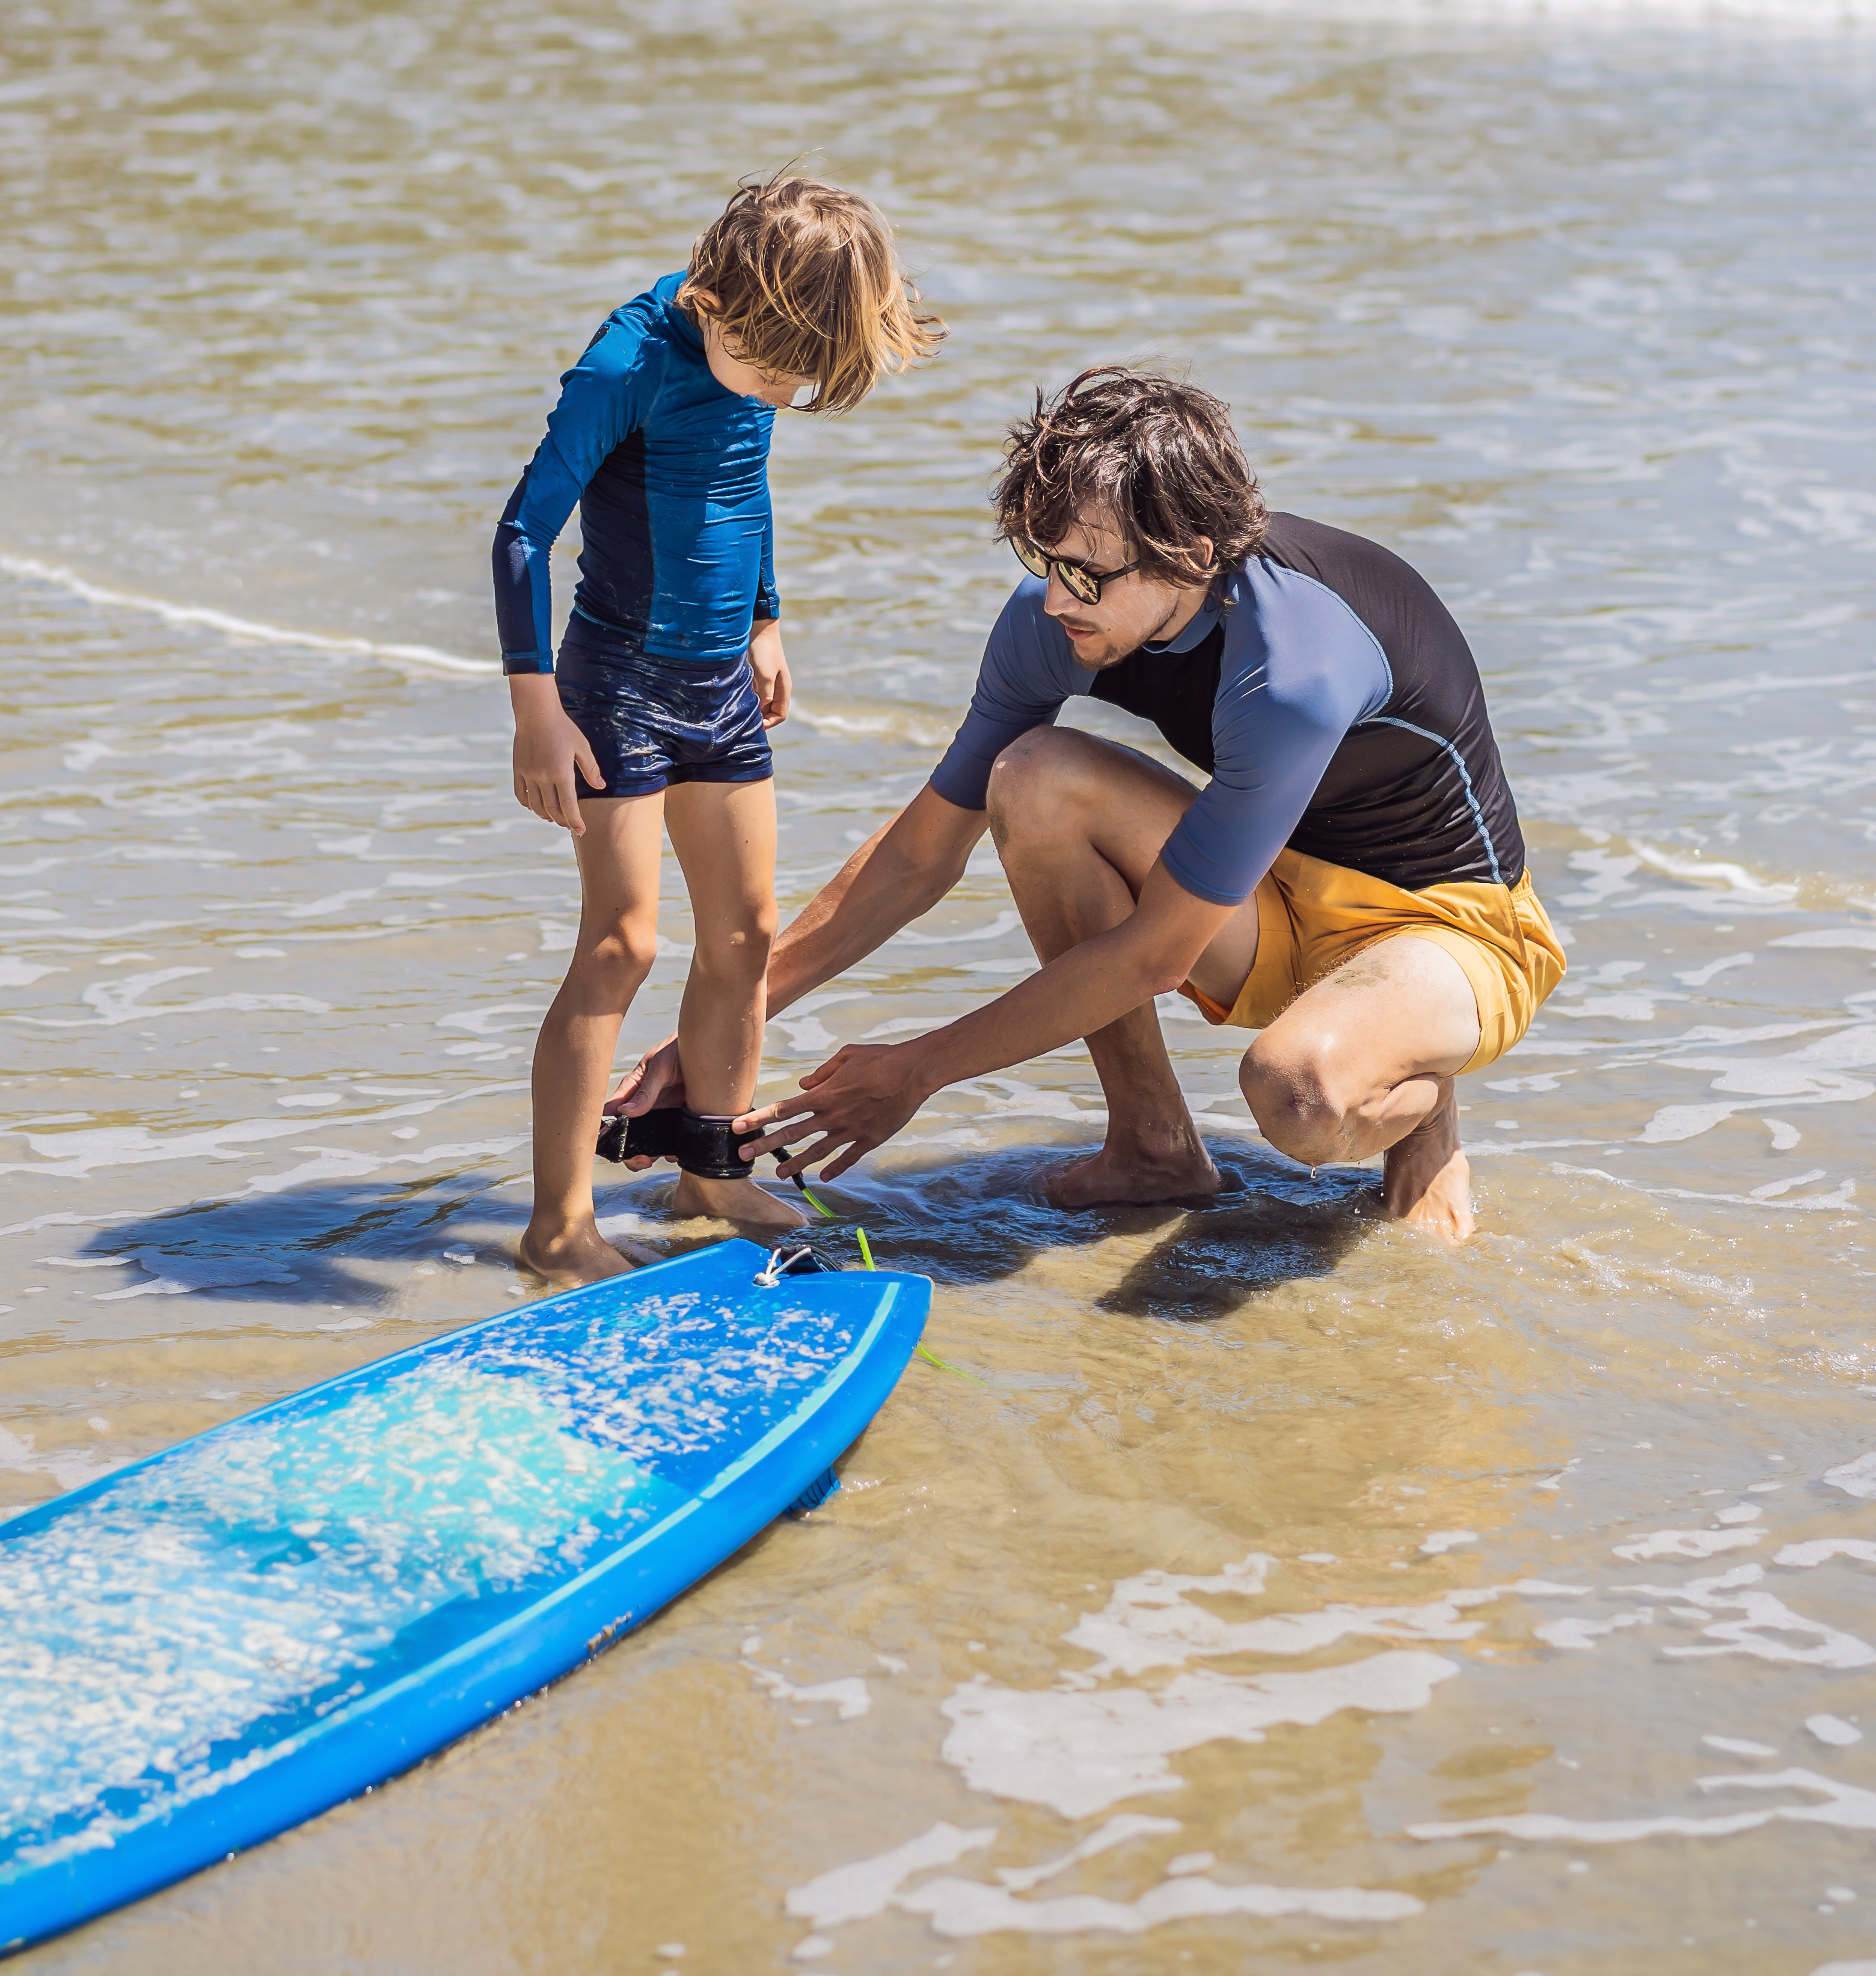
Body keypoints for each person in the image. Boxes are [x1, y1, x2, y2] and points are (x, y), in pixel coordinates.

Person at [621, 366, 1560, 1240]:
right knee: (1030, 777)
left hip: (1446, 931)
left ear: (1193, 553)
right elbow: (919, 857)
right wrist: (715, 1028)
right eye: (1043, 556)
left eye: (1086, 572)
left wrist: (921, 1070)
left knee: (1300, 1094)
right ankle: (1153, 1150)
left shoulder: (1292, 673)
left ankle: (1422, 1101)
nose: (1055, 596)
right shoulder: (1060, 621)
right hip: (1268, 886)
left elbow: (1156, 956)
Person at [495, 176, 942, 1283]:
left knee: (745, 936)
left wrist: (767, 618)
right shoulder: (628, 365)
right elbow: (520, 536)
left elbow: (745, 486)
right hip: (617, 688)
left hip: (720, 685)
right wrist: (534, 709)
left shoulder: (759, 351)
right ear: (722, 304)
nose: (785, 393)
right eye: (780, 372)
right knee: (625, 942)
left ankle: (707, 1168)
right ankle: (558, 1225)